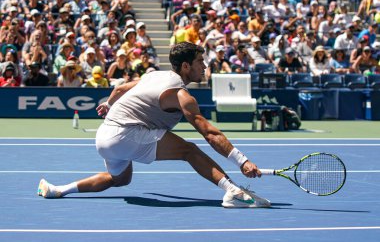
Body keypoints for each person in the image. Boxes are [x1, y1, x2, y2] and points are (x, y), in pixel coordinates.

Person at [37, 42, 271, 209]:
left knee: (119, 179)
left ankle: (59, 190)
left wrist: (108, 106)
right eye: (200, 62)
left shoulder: (153, 75)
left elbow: (119, 89)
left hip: (105, 136)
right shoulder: (181, 95)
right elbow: (209, 133)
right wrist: (242, 161)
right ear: (186, 66)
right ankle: (233, 191)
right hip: (125, 134)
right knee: (189, 150)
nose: (205, 66)